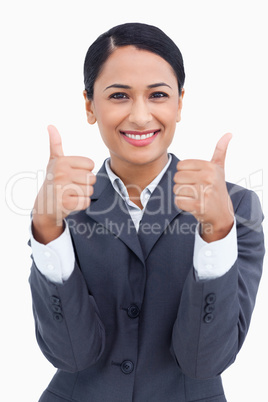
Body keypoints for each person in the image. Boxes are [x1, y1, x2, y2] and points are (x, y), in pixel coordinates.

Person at [28, 23, 265, 402]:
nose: (140, 116)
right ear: (90, 105)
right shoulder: (60, 208)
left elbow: (205, 361)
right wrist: (47, 231)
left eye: (158, 95)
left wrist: (218, 233)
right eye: (119, 95)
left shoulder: (236, 209)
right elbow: (70, 355)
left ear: (180, 103)